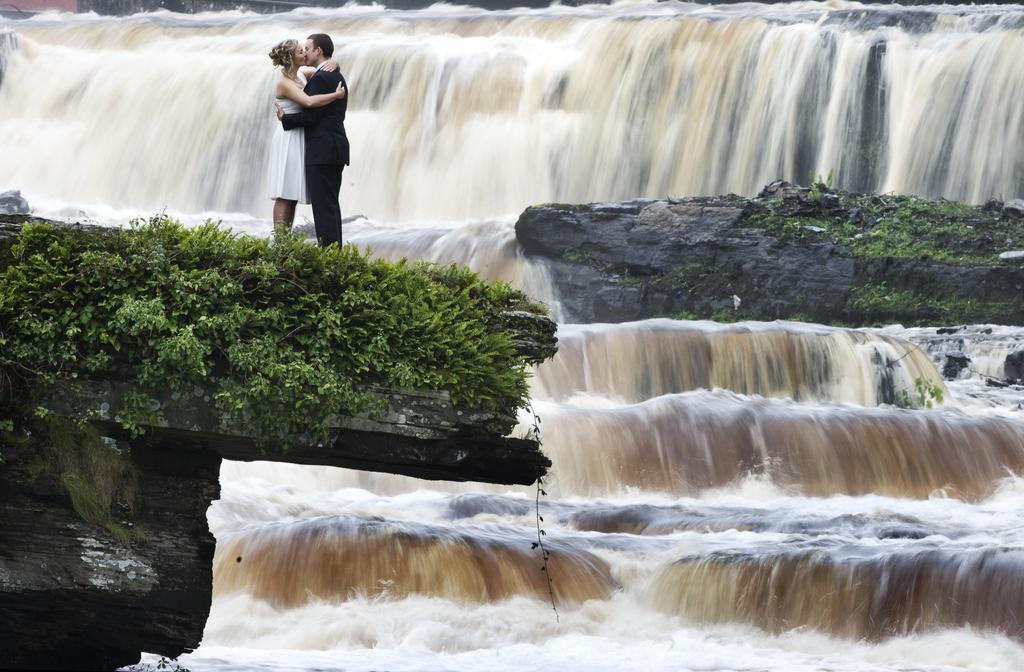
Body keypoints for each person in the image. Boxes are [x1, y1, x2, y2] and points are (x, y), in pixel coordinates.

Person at [276, 33, 350, 247]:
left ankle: (329, 257)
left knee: (323, 208)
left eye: (308, 48)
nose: (305, 51)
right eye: (302, 49)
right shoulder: (334, 75)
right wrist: (334, 62)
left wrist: (286, 119)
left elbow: (312, 114)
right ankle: (336, 256)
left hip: (322, 149)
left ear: (318, 51)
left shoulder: (320, 78)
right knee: (331, 205)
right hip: (336, 147)